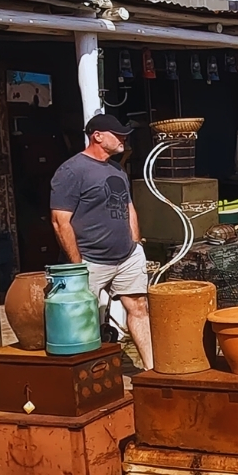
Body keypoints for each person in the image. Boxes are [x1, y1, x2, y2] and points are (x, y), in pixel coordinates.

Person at [50, 114, 154, 369]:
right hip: (90, 259)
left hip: (127, 256)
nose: (123, 139)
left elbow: (129, 207)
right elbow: (59, 221)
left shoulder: (117, 168)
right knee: (83, 319)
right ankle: (91, 376)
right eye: (117, 134)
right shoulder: (71, 171)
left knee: (139, 307)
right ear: (97, 136)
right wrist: (77, 267)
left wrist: (136, 244)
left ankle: (153, 371)